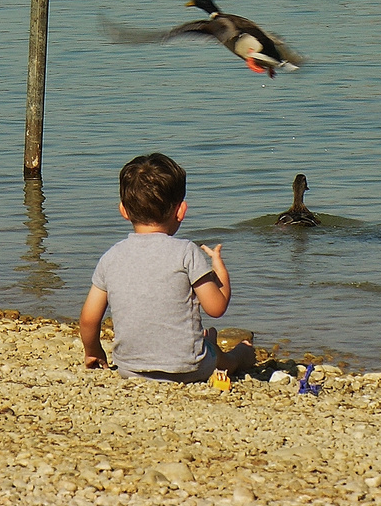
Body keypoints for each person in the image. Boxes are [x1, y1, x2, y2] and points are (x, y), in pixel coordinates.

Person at [79, 153, 256, 382]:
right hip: (189, 367)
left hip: (130, 369)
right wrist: (220, 273)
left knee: (202, 342)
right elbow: (216, 307)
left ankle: (206, 342)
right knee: (233, 355)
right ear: (181, 211)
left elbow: (88, 320)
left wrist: (93, 352)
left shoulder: (111, 257)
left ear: (123, 210)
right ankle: (237, 354)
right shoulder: (186, 252)